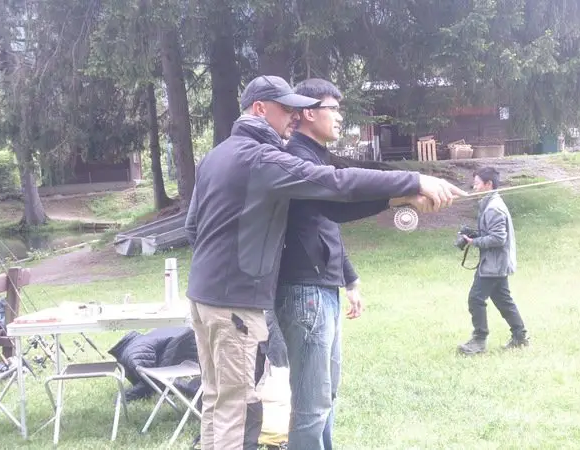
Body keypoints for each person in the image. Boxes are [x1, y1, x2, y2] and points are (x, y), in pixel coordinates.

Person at [184, 74, 466, 450]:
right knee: (239, 410)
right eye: (286, 109)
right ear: (259, 109)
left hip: (203, 297)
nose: (293, 117)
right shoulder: (261, 158)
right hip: (235, 301)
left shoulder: (216, 155)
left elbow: (192, 227)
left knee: (216, 400)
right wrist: (412, 179)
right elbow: (335, 183)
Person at [274, 78, 416, 450]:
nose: (340, 117)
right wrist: (404, 187)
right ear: (307, 112)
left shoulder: (316, 157)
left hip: (323, 287)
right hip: (304, 290)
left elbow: (329, 220)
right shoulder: (296, 159)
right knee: (311, 404)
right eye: (333, 108)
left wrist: (349, 278)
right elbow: (340, 195)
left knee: (326, 395)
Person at [457, 166, 529, 356]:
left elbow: (498, 239)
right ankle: (520, 337)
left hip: (494, 265)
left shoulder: (494, 207)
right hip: (495, 263)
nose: (475, 186)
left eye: (477, 183)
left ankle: (479, 341)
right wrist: (475, 234)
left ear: (488, 184)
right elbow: (493, 233)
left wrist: (474, 241)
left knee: (475, 299)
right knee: (503, 300)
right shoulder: (490, 203)